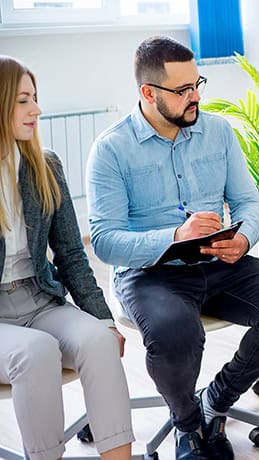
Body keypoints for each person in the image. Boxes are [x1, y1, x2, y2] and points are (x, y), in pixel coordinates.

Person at [85, 36, 259, 460]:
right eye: (183, 90)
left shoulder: (218, 131)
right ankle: (187, 427)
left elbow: (248, 203)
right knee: (175, 334)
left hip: (218, 261)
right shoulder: (111, 150)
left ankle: (215, 402)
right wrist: (173, 237)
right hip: (149, 272)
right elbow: (105, 241)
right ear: (148, 93)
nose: (196, 97)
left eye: (197, 84)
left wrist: (243, 238)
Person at [0, 56, 134, 460]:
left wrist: (103, 318)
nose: (36, 110)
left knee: (99, 341)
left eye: (35, 98)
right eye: (23, 100)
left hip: (38, 298)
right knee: (36, 352)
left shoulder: (45, 166)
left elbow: (73, 254)